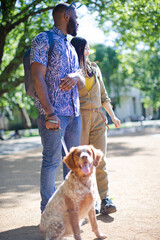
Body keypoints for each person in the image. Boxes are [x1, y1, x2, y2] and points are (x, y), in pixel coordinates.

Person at [30, 3, 85, 213]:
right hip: (53, 113)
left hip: (74, 114)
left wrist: (75, 76)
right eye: (76, 16)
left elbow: (81, 82)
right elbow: (37, 77)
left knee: (72, 164)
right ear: (65, 15)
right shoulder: (44, 39)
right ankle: (49, 211)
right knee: (51, 161)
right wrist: (49, 112)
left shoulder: (70, 46)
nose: (78, 21)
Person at [70, 37, 121, 214]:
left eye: (89, 49)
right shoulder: (72, 70)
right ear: (77, 51)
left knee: (100, 160)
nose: (88, 52)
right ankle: (87, 202)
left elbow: (104, 96)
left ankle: (105, 199)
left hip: (99, 120)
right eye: (85, 49)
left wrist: (113, 117)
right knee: (83, 163)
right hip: (80, 121)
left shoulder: (95, 69)